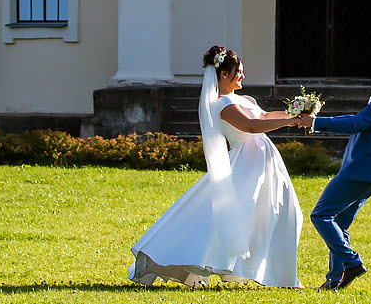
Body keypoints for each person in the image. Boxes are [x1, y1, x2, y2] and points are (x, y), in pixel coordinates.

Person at [129, 45, 312, 287]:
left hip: (265, 163)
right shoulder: (222, 104)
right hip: (246, 165)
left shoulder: (245, 99)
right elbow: (250, 126)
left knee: (280, 214)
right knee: (237, 216)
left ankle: (273, 272)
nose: (243, 76)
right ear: (224, 74)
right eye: (239, 72)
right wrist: (289, 122)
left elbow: (264, 116)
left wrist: (295, 113)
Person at [308, 53, 371, 291]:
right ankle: (334, 280)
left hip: (361, 169)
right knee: (340, 224)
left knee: (320, 215)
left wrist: (315, 123)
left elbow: (355, 123)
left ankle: (352, 262)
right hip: (370, 171)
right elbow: (359, 121)